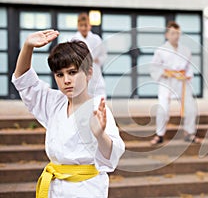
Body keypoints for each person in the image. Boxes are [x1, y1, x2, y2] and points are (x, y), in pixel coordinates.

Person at [11, 30, 125, 197]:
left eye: (72, 72)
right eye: (60, 74)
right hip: (55, 186)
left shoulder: (98, 109)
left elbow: (113, 155)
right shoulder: (54, 102)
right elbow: (24, 81)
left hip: (86, 189)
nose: (66, 80)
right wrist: (28, 46)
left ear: (89, 73)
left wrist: (100, 135)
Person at [149, 21, 200, 145]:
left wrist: (188, 75)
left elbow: (189, 67)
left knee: (190, 108)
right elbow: (154, 67)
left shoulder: (185, 50)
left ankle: (189, 133)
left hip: (181, 82)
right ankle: (159, 134)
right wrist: (163, 73)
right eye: (172, 33)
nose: (175, 36)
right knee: (163, 109)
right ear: (167, 34)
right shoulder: (161, 50)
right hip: (167, 82)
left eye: (177, 33)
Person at [73, 12, 108, 97]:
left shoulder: (96, 39)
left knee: (99, 94)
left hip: (95, 70)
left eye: (86, 25)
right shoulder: (73, 40)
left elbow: (103, 54)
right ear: (78, 26)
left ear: (90, 26)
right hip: (80, 70)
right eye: (81, 25)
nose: (84, 28)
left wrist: (98, 60)